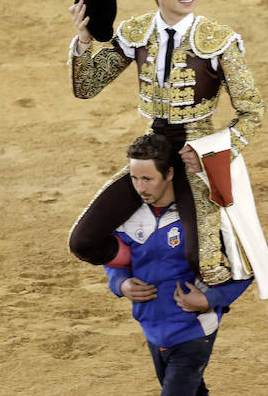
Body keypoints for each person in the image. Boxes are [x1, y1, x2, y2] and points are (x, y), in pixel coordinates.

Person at [68, 0, 266, 285]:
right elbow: (87, 87)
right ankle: (141, 265)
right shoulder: (137, 32)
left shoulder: (219, 40)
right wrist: (84, 41)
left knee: (206, 264)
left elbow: (252, 111)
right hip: (151, 154)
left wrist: (217, 149)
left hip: (197, 156)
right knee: (83, 241)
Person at [105, 133, 252, 395]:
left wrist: (211, 300)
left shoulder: (202, 217)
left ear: (169, 174)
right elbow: (115, 258)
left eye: (148, 179)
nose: (140, 188)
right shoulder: (129, 215)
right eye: (134, 178)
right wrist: (121, 283)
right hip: (152, 329)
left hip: (193, 330)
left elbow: (247, 268)